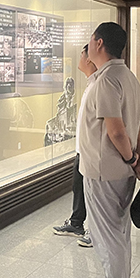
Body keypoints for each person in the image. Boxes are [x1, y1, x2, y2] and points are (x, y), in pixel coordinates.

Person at [77, 22, 140, 278]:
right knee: (119, 233)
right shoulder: (127, 77)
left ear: (99, 43)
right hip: (120, 169)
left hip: (104, 170)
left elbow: (117, 131)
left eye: (90, 40)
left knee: (107, 238)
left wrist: (132, 158)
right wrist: (138, 158)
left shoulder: (107, 81)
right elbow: (139, 125)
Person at [52, 44, 97, 247]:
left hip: (91, 150)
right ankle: (76, 222)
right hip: (82, 148)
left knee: (92, 192)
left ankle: (95, 232)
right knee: (78, 186)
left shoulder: (99, 85)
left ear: (89, 59)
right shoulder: (90, 83)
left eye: (81, 55)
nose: (79, 59)